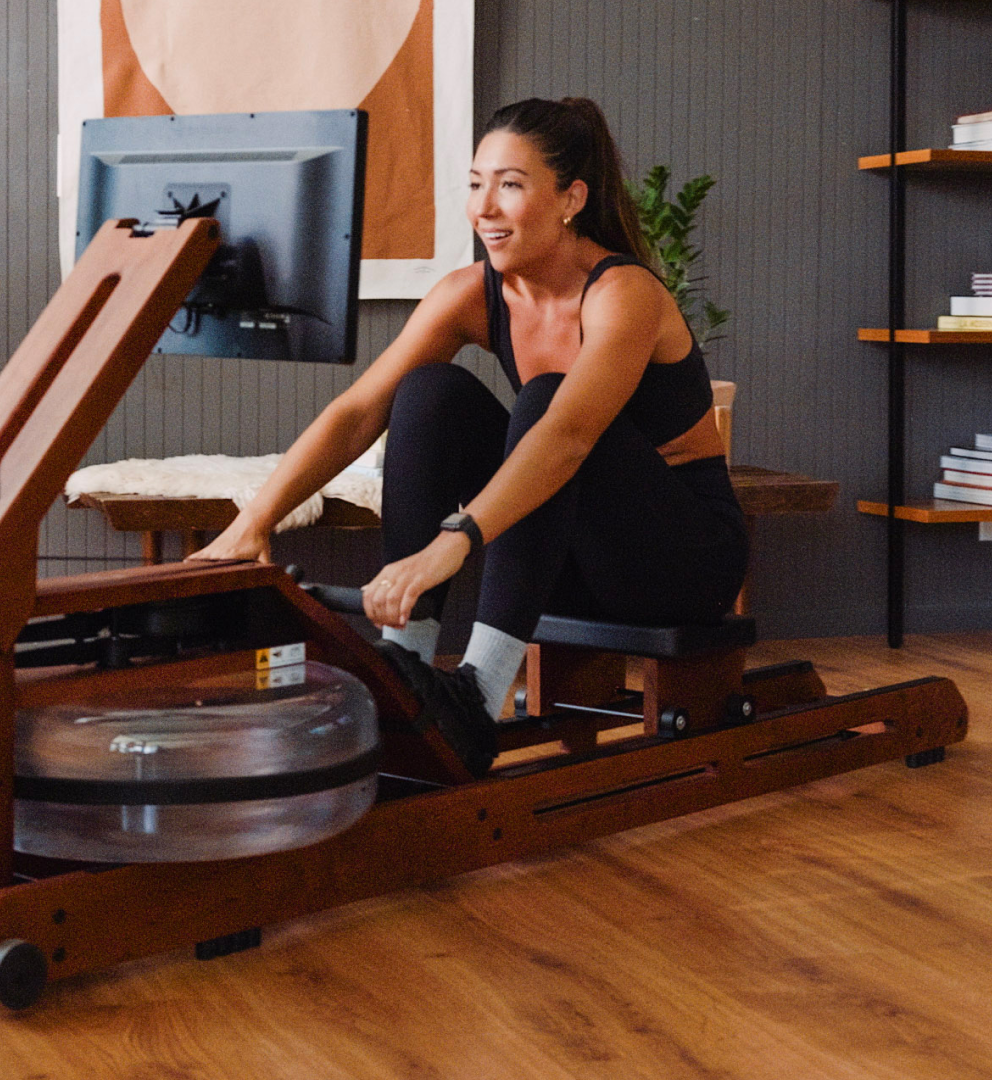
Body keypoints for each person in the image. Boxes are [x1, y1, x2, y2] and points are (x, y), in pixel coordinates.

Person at [191, 97, 748, 774]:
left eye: (510, 185)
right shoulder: (470, 293)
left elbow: (569, 435)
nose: (484, 207)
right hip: (567, 557)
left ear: (571, 199)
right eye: (476, 183)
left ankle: (474, 700)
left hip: (679, 563)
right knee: (427, 392)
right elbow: (358, 411)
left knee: (546, 399)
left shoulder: (622, 293)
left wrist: (454, 541)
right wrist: (252, 524)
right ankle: (406, 672)